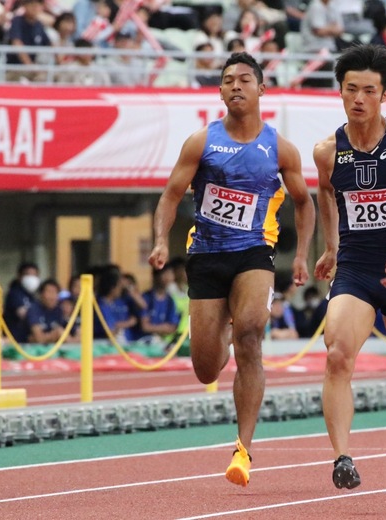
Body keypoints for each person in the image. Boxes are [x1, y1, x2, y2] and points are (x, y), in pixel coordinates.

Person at [148, 52, 315, 488]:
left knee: (251, 335)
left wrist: (300, 255)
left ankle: (243, 447)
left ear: (262, 89)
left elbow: (303, 201)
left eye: (245, 79)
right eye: (227, 80)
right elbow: (170, 194)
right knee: (206, 369)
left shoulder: (280, 148)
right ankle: (217, 328)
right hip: (205, 254)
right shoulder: (202, 142)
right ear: (219, 91)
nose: (236, 86)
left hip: (254, 253)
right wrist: (162, 240)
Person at [312, 44, 386, 489]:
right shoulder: (327, 151)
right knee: (337, 356)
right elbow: (326, 193)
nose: (358, 98)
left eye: (368, 90)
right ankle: (342, 457)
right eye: (350, 90)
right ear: (340, 92)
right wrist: (330, 247)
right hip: (356, 271)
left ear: (384, 95)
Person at [3, 262, 41, 344]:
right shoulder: (15, 293)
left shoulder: (33, 295)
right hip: (15, 339)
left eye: (34, 275)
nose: (31, 278)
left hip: (28, 338)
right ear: (20, 276)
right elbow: (23, 314)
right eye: (28, 275)